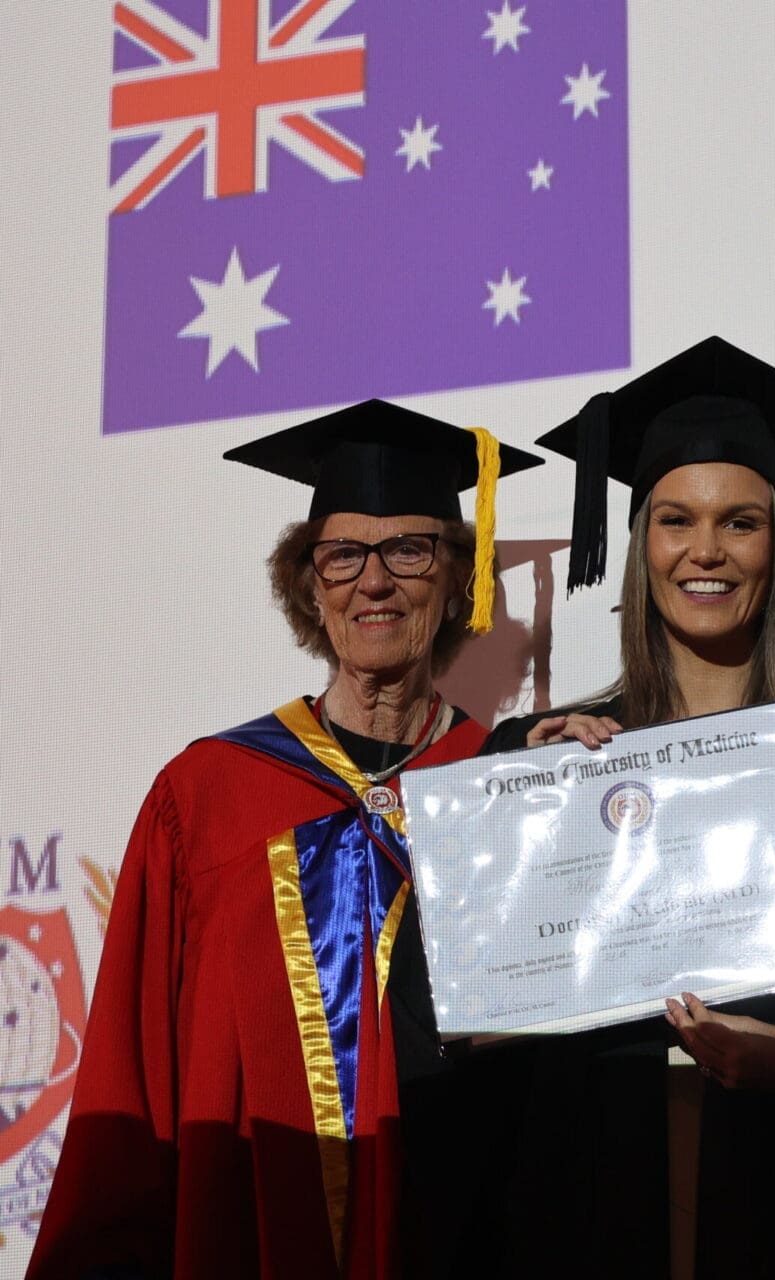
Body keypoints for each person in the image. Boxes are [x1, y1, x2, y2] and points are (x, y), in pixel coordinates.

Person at [397, 336, 775, 1280]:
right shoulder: (546, 759)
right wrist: (522, 819)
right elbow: (442, 1031)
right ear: (642, 547)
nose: (706, 551)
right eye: (676, 520)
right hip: (593, 1213)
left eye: (740, 523)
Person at [28, 403, 541, 1278]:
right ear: (308, 586)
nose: (373, 582)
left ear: (459, 579)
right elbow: (131, 1077)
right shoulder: (207, 798)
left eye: (409, 551)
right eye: (342, 555)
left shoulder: (504, 787)